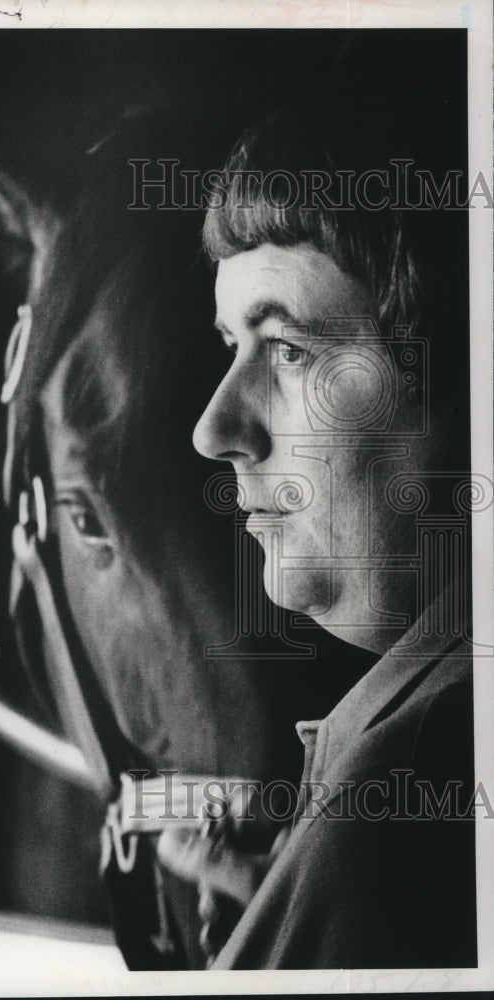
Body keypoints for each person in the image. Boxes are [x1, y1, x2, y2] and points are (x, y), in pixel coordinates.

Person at [157, 94, 477, 969]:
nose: (215, 428)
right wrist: (293, 903)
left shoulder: (408, 786)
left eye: (289, 349)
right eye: (232, 344)